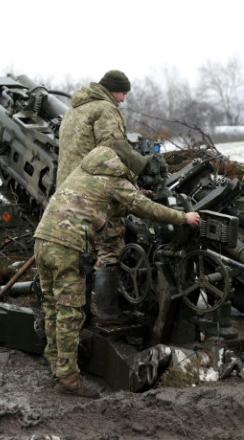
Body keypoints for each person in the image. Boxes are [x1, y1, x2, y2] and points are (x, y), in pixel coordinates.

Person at [34, 140, 201, 398]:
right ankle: (68, 380)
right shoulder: (116, 180)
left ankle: (56, 366)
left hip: (42, 239)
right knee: (70, 313)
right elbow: (147, 210)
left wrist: (132, 197)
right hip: (68, 245)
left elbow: (102, 201)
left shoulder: (85, 170)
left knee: (50, 306)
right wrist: (183, 217)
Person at [56, 70, 133, 324]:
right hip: (97, 191)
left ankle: (81, 316)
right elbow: (115, 151)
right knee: (109, 249)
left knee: (81, 253)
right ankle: (109, 317)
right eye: (122, 93)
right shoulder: (105, 110)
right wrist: (134, 182)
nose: (123, 99)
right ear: (113, 90)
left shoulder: (74, 109)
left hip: (69, 192)